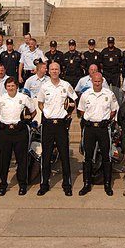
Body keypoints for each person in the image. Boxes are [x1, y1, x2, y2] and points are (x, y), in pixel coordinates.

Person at [37, 62, 78, 196]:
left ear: (60, 71)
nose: (54, 71)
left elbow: (73, 101)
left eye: (56, 69)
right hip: (48, 124)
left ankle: (67, 185)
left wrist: (68, 114)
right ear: (48, 71)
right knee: (46, 155)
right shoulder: (44, 87)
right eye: (52, 69)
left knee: (64, 155)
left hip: (61, 124)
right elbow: (40, 103)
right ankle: (44, 184)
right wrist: (47, 113)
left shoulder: (66, 86)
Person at [77, 71, 119, 196]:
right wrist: (91, 119)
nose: (97, 83)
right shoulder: (86, 94)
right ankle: (86, 183)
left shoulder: (109, 94)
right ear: (92, 82)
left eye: (99, 81)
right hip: (90, 128)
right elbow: (82, 110)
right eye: (95, 81)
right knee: (87, 157)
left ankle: (107, 184)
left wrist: (104, 120)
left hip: (103, 128)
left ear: (102, 81)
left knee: (106, 156)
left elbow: (113, 110)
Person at [0, 77, 36, 196]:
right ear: (6, 87)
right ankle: (3, 185)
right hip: (5, 131)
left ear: (17, 86)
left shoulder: (23, 98)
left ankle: (22, 184)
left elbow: (33, 111)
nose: (11, 88)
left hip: (20, 131)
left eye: (13, 85)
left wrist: (26, 121)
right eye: (8, 86)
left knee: (22, 159)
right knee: (4, 159)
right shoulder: (1, 99)